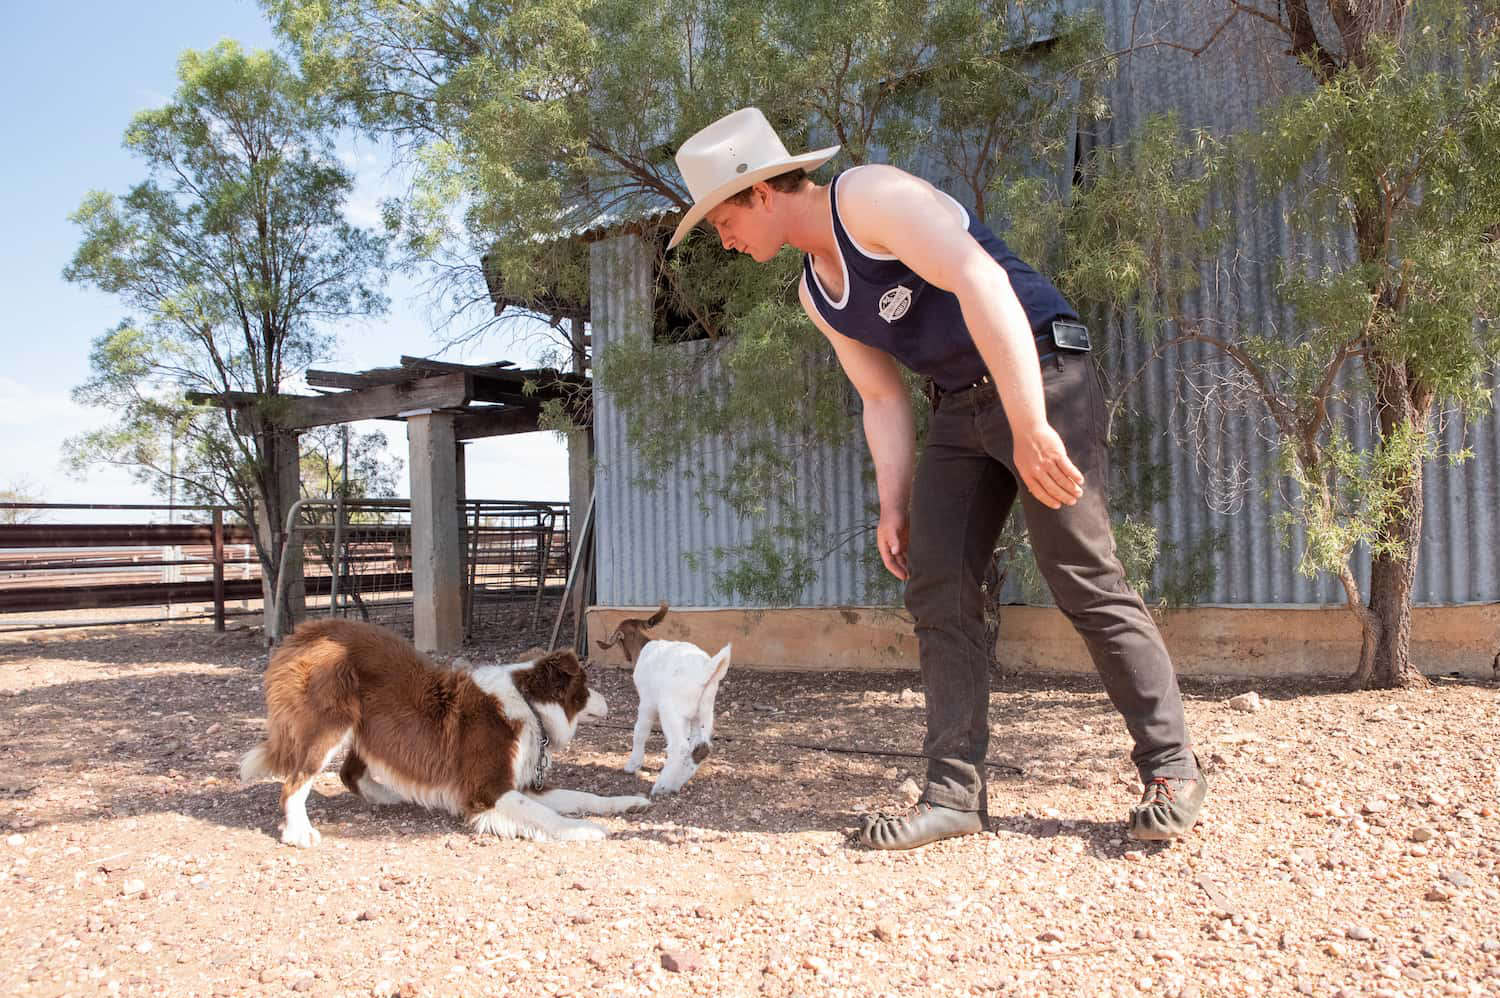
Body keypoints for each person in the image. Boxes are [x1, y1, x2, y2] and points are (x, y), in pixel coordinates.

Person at [667, 107, 1205, 850]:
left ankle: (1170, 765)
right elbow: (883, 396)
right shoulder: (815, 292)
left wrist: (1030, 421)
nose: (723, 240)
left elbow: (978, 276)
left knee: (1078, 568)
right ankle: (954, 796)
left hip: (1040, 368)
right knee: (937, 585)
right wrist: (894, 504)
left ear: (761, 193)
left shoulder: (868, 198)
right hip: (959, 404)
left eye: (723, 221)